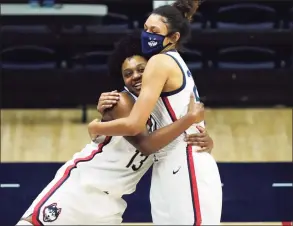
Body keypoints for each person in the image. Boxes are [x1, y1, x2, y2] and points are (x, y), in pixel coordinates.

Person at [16, 34, 213, 226]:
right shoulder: (122, 102)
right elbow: (146, 145)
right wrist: (189, 119)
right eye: (128, 73)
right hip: (81, 188)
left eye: (141, 69)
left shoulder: (164, 109)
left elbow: (182, 140)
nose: (135, 76)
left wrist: (205, 140)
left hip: (112, 204)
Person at [88, 0, 222, 224]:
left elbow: (134, 125)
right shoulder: (166, 61)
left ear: (173, 37)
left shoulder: (160, 62)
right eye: (146, 29)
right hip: (167, 163)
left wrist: (95, 127)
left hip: (185, 160)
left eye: (155, 31)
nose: (147, 35)